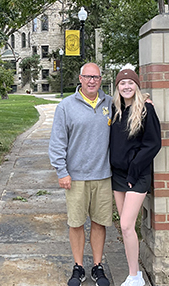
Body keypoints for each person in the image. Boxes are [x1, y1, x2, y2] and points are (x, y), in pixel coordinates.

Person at [49, 62, 113, 286]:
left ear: (100, 79)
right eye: (88, 77)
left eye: (96, 77)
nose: (92, 80)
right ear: (80, 78)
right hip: (75, 177)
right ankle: (78, 267)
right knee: (76, 223)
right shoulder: (66, 106)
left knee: (99, 222)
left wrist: (147, 102)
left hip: (103, 175)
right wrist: (62, 171)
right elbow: (57, 142)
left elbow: (132, 107)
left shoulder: (110, 104)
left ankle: (97, 266)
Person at [109, 67, 161, 286]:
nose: (127, 87)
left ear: (137, 86)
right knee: (125, 226)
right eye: (122, 83)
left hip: (137, 175)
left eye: (131, 83)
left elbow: (153, 144)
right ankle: (135, 273)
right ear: (117, 87)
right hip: (118, 175)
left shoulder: (146, 110)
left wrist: (134, 170)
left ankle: (134, 276)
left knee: (127, 225)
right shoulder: (115, 109)